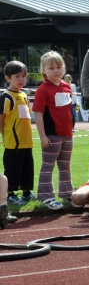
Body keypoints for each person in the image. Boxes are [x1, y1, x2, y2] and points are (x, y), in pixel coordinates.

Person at [33, 51, 74, 210]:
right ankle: (45, 195)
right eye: (51, 68)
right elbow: (38, 114)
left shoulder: (66, 86)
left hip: (67, 134)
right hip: (51, 135)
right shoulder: (42, 90)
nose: (56, 70)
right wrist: (43, 136)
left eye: (59, 67)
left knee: (65, 165)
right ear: (43, 70)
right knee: (48, 165)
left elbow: (68, 111)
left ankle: (67, 193)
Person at [1, 61, 36, 206]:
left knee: (28, 167)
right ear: (8, 78)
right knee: (13, 168)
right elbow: (1, 120)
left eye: (23, 76)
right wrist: (5, 135)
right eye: (17, 76)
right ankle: (9, 194)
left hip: (27, 140)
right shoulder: (6, 97)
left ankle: (27, 192)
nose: (21, 79)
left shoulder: (24, 95)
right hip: (13, 142)